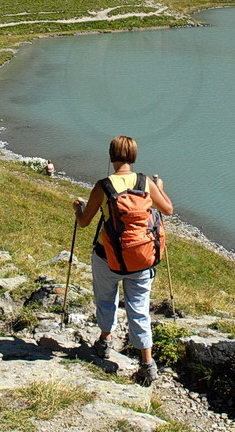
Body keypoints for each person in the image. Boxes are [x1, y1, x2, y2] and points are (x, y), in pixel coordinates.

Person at [73, 135, 173, 385]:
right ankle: (146, 364)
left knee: (106, 300)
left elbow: (84, 222)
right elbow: (168, 209)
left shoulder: (103, 186)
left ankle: (105, 342)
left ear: (111, 156)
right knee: (139, 309)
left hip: (107, 257)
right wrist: (159, 186)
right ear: (134, 156)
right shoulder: (145, 182)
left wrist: (77, 208)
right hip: (141, 258)